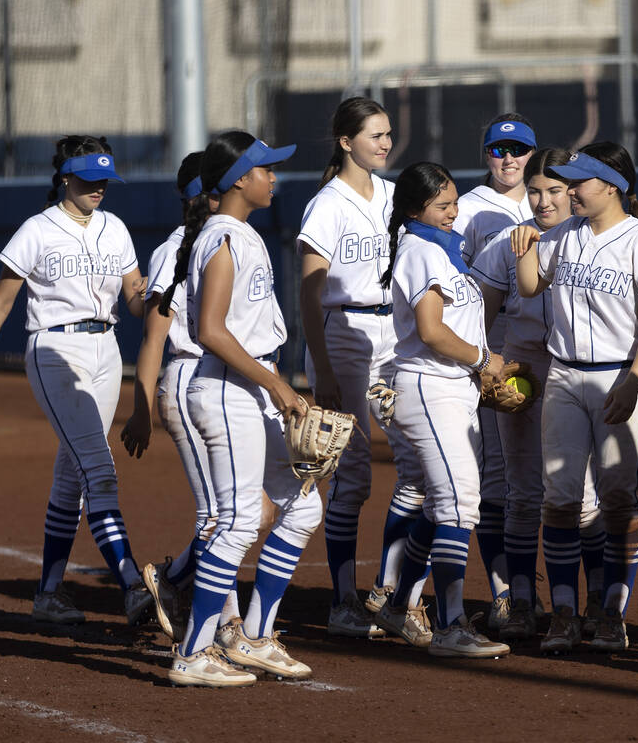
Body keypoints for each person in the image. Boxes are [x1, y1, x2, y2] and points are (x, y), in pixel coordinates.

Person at [0, 135, 152, 625]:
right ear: (65, 177)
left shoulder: (115, 228)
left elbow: (132, 298)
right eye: (88, 178)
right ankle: (132, 586)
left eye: (104, 179)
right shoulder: (37, 229)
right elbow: (1, 303)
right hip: (55, 350)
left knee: (73, 475)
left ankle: (48, 593)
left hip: (107, 350)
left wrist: (155, 300)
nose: (98, 187)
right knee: (99, 469)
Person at [164, 131, 321, 687]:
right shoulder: (224, 238)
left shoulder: (236, 234)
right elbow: (210, 331)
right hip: (230, 390)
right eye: (264, 170)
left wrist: (278, 387)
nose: (273, 178)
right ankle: (192, 653)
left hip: (249, 385)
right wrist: (277, 387)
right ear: (237, 181)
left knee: (301, 508)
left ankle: (253, 637)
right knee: (235, 523)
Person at [511, 141, 638, 654]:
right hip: (563, 376)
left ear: (611, 185)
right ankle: (563, 612)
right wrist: (527, 246)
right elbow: (532, 286)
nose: (570, 191)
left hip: (616, 377)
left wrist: (635, 379)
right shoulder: (565, 235)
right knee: (560, 500)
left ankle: (610, 612)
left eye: (579, 181)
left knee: (618, 500)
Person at [298, 96, 428, 638]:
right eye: (375, 134)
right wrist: (321, 370)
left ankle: (391, 593)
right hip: (344, 335)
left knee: (418, 463)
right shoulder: (326, 204)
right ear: (345, 141)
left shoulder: (397, 197)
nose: (385, 143)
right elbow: (308, 292)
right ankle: (344, 599)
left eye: (389, 134)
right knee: (350, 477)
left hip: (393, 335)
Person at [373, 161, 510, 658]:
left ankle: (399, 604)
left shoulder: (438, 250)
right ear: (416, 208)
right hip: (431, 388)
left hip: (451, 389)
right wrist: (482, 360)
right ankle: (451, 624)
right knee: (459, 502)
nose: (454, 212)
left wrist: (480, 367)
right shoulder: (421, 250)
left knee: (443, 504)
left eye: (455, 202)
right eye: (443, 205)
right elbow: (431, 331)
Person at [471, 148, 607, 642]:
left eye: (554, 190)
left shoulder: (592, 241)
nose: (544, 200)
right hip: (521, 371)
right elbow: (479, 317)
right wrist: (488, 370)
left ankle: (593, 604)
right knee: (523, 493)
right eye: (535, 191)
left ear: (573, 190)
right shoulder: (507, 244)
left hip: (573, 375)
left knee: (582, 495)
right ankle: (523, 601)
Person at [120, 152, 240, 643]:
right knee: (219, 513)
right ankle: (226, 624)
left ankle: (170, 581)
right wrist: (141, 407)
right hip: (190, 375)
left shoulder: (233, 238)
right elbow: (153, 337)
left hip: (232, 380)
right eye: (210, 189)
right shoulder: (176, 250)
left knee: (250, 508)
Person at [454, 114, 537, 628]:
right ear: (485, 154)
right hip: (493, 343)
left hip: (546, 345)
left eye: (518, 150)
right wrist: (479, 358)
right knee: (499, 476)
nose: (508, 159)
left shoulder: (552, 199)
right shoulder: (465, 209)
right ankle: (508, 593)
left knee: (555, 478)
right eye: (498, 150)